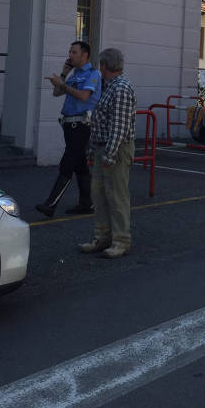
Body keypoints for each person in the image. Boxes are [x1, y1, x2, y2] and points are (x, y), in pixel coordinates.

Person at [80, 48, 136, 259]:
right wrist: (95, 149)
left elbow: (119, 127)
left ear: (105, 65)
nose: (99, 69)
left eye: (100, 65)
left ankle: (120, 240)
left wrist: (110, 154)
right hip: (104, 146)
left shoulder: (120, 88)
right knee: (100, 195)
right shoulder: (111, 86)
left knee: (116, 196)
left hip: (115, 148)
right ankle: (102, 237)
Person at [36, 41, 101, 218]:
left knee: (68, 162)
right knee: (80, 165)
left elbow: (84, 96)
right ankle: (87, 203)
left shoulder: (93, 74)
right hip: (69, 125)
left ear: (84, 55)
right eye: (70, 52)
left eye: (74, 52)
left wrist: (62, 84)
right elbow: (57, 93)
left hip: (82, 125)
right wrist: (64, 74)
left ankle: (51, 204)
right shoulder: (74, 74)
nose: (70, 55)